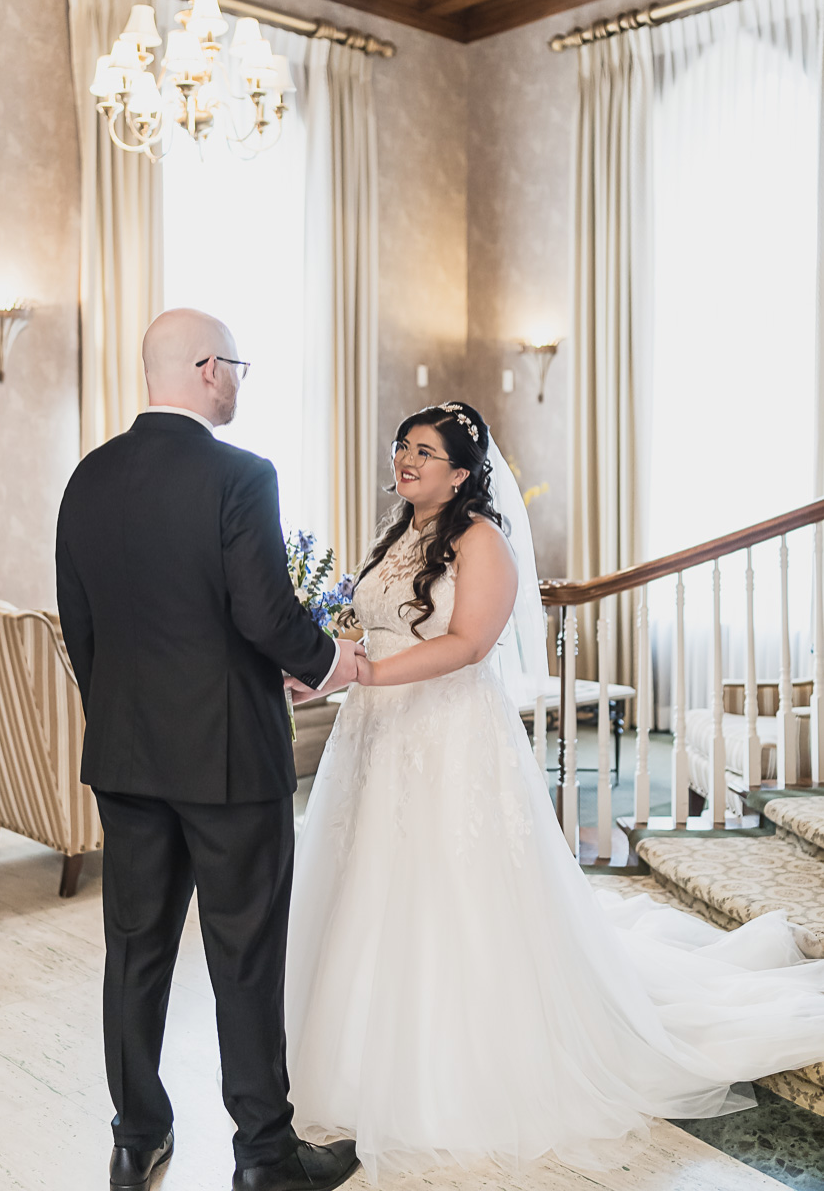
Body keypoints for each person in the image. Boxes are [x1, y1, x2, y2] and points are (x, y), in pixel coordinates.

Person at [284, 400, 824, 1184]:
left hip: (447, 737)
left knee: (450, 890)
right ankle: (352, 1045)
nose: (405, 460)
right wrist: (330, 668)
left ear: (463, 473)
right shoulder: (397, 533)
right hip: (376, 733)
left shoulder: (484, 542)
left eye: (425, 452)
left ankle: (454, 1066)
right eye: (403, 446)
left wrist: (366, 669)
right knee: (371, 881)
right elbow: (377, 630)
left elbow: (468, 646)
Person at [56, 308, 363, 1191]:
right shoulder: (240, 475)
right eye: (235, 365)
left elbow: (82, 629)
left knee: (136, 950)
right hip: (230, 762)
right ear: (203, 369)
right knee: (245, 955)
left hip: (127, 757)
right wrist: (332, 663)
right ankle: (264, 1156)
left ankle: (135, 1137)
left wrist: (127, 713)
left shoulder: (89, 477)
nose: (238, 380)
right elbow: (265, 616)